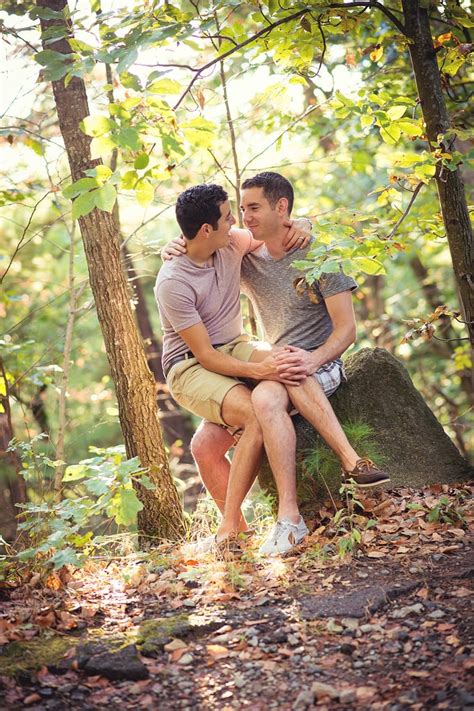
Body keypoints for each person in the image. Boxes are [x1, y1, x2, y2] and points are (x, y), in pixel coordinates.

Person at [162, 172, 390, 556]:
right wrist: (178, 245)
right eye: (237, 210)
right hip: (213, 361)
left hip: (318, 361)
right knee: (203, 445)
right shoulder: (243, 255)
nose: (242, 219)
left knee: (270, 393)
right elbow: (201, 252)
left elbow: (348, 330)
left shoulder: (317, 254)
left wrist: (312, 357)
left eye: (253, 208)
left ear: (281, 207)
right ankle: (235, 534)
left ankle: (292, 515)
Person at [154, 183, 312, 553]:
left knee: (206, 445)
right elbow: (206, 357)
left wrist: (302, 222)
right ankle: (230, 529)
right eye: (228, 217)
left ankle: (237, 533)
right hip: (190, 366)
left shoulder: (229, 242)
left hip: (235, 346)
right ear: (206, 229)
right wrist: (263, 374)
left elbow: (275, 229)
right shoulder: (173, 282)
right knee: (255, 413)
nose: (237, 222)